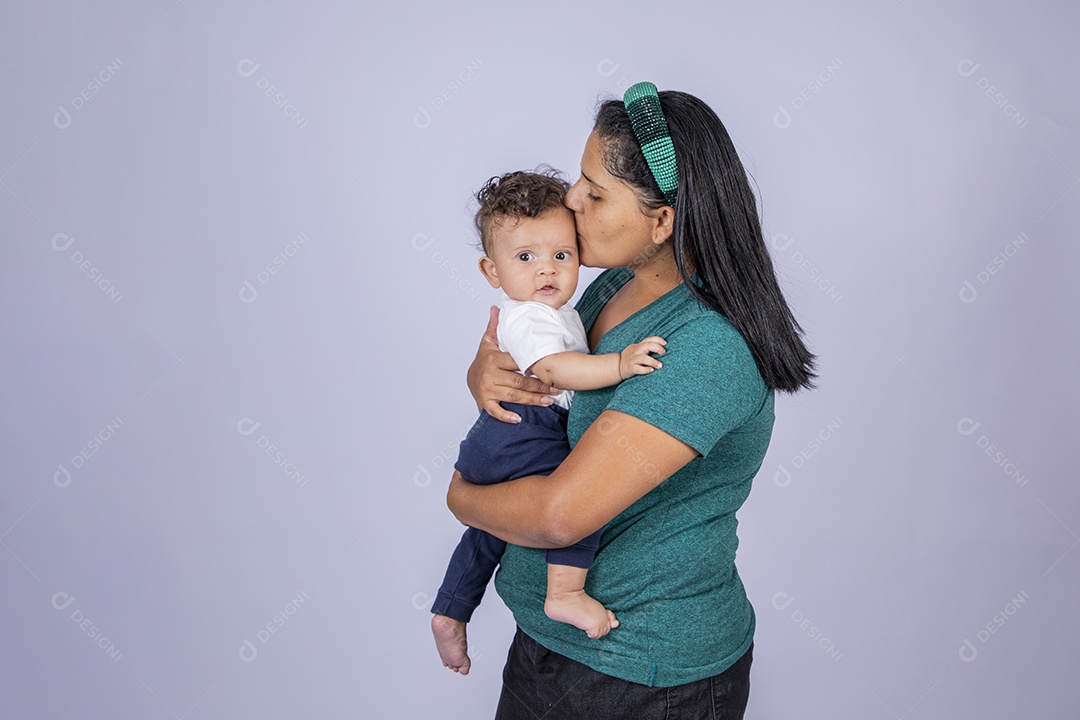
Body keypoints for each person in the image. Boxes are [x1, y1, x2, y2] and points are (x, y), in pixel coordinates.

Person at [446, 82, 817, 719]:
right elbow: (547, 380)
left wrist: (460, 498)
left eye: (594, 192)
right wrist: (484, 373)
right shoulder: (616, 284)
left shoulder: (705, 347)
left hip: (640, 672)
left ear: (661, 221)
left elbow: (561, 516)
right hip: (547, 643)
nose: (571, 199)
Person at [430, 169, 668, 675]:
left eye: (561, 255)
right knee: (583, 494)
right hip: (526, 431)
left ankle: (451, 608)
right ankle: (565, 592)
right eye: (525, 258)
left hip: (503, 437)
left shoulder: (556, 310)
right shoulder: (532, 315)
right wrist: (618, 365)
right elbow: (554, 370)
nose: (546, 270)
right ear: (491, 271)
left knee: (492, 528)